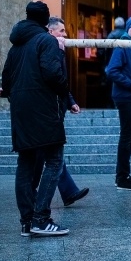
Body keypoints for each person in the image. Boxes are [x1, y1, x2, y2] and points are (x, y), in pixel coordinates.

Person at [2, 1, 70, 237]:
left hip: (21, 112)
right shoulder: (47, 41)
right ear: (45, 20)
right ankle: (41, 218)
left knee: (26, 165)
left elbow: (6, 82)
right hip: (44, 110)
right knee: (54, 161)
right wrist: (64, 90)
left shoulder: (16, 47)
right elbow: (53, 74)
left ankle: (27, 221)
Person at [45, 17, 89, 207]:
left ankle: (68, 191)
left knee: (50, 153)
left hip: (57, 106)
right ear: (50, 32)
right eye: (61, 31)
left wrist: (70, 101)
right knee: (49, 154)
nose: (65, 35)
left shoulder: (58, 51)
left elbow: (61, 80)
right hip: (49, 109)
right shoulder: (50, 51)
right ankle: (65, 192)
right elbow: (55, 79)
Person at [105, 16, 131, 190]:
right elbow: (111, 70)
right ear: (127, 29)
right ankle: (121, 177)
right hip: (124, 96)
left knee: (130, 134)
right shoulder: (122, 44)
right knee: (128, 135)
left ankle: (123, 175)